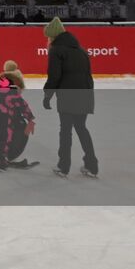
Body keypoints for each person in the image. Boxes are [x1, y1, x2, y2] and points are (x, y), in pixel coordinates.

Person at [42, 17, 98, 178]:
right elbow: (89, 76)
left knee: (65, 131)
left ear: (53, 37)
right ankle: (92, 165)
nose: (47, 40)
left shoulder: (56, 50)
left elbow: (54, 76)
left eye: (48, 37)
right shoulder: (81, 50)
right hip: (85, 94)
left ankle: (63, 166)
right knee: (81, 128)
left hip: (68, 95)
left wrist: (47, 96)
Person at [0, 60, 37, 170]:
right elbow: (23, 105)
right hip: (1, 118)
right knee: (4, 138)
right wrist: (31, 119)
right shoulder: (13, 93)